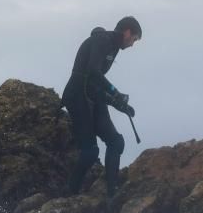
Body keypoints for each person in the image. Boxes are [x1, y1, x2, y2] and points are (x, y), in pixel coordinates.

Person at [61, 16, 142, 201]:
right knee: (90, 152)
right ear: (127, 32)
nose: (132, 44)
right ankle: (68, 196)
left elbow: (95, 83)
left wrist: (120, 105)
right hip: (77, 96)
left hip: (92, 96)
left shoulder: (113, 47)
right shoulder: (102, 41)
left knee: (116, 142)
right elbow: (93, 72)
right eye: (134, 39)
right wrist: (115, 93)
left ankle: (112, 196)